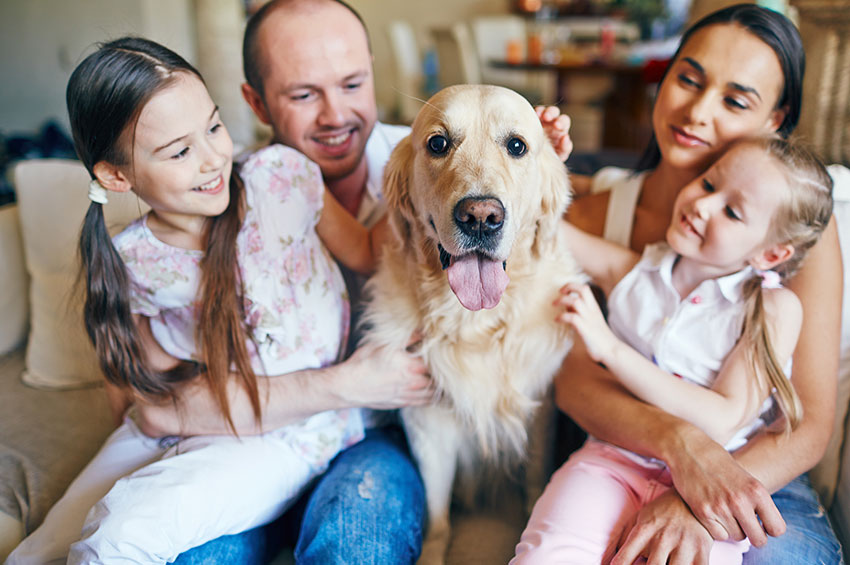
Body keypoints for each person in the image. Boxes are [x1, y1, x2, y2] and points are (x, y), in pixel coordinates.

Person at [133, 1, 573, 562]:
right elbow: (149, 403)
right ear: (256, 102)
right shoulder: (210, 196)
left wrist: (536, 165)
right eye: (302, 93)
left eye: (351, 83)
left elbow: (563, 227)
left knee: (353, 549)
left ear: (372, 72)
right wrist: (346, 384)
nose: (335, 114)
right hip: (249, 444)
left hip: (371, 445)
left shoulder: (420, 148)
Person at [7, 36, 430, 563]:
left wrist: (425, 170)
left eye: (213, 127)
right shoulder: (132, 259)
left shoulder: (281, 177)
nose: (212, 160)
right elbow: (153, 400)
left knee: (122, 532)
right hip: (194, 421)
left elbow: (368, 252)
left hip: (291, 434)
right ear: (117, 176)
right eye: (181, 151)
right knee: (45, 546)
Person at [558, 4, 844, 564]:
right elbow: (574, 384)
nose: (697, 110)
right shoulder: (598, 217)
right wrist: (683, 450)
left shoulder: (801, 232)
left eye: (736, 100)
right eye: (687, 79)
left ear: (774, 120)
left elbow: (807, 425)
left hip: (760, 468)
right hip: (623, 454)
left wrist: (694, 500)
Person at [513, 135, 834, 563]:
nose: (703, 205)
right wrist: (532, 153)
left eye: (732, 211)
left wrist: (609, 348)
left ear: (771, 252)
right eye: (707, 184)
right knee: (547, 554)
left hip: (712, 492)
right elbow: (549, 230)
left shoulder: (773, 308)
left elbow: (720, 418)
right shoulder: (638, 268)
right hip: (611, 461)